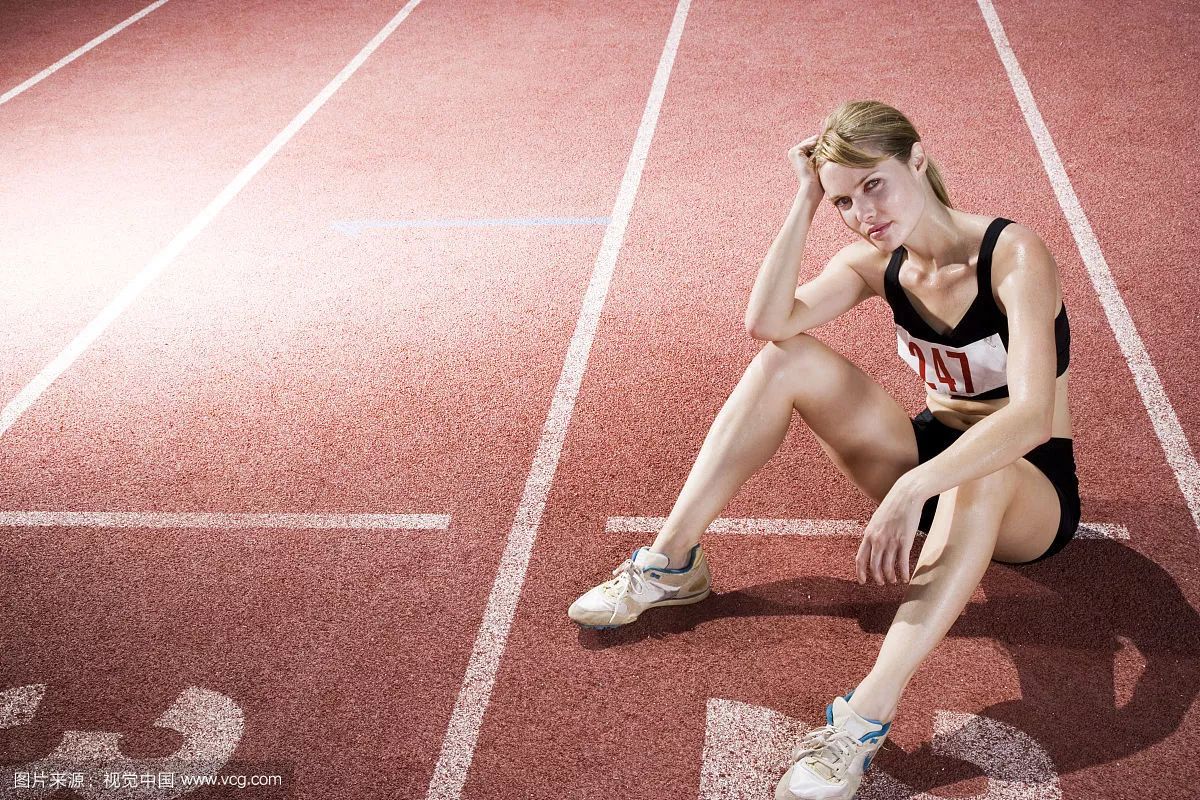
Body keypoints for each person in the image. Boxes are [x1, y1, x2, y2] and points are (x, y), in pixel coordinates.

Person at [567, 100, 1079, 800]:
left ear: (918, 162)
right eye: (845, 198)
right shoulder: (877, 261)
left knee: (978, 479)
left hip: (1029, 487)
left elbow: (1028, 419)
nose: (863, 210)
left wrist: (911, 490)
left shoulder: (1012, 253)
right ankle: (671, 562)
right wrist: (805, 199)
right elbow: (768, 321)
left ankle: (862, 720)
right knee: (786, 360)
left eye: (874, 184)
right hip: (928, 457)